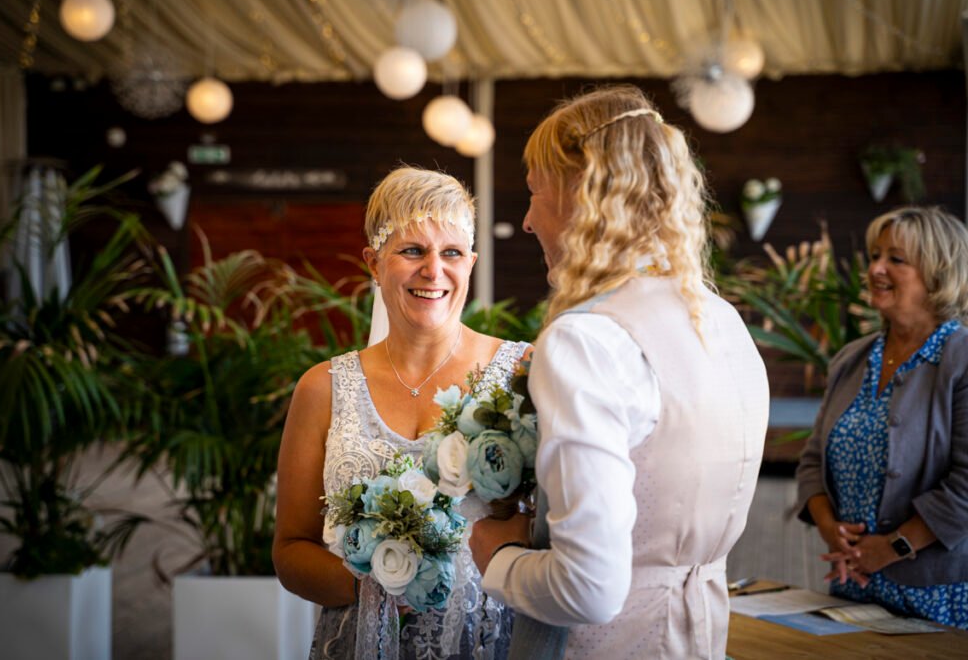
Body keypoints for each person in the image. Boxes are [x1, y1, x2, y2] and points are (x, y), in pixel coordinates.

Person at [468, 84, 769, 659]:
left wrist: (499, 558)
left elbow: (588, 588)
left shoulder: (588, 341)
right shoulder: (723, 321)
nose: (527, 220)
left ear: (585, 190)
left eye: (534, 191)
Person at [273, 166, 530, 659]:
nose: (433, 271)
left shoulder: (523, 371)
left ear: (471, 262)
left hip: (491, 642)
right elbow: (290, 551)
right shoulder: (322, 388)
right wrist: (379, 587)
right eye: (412, 251)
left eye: (451, 252)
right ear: (374, 262)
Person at [796, 206, 968, 629]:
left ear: (937, 272)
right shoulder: (851, 359)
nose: (875, 268)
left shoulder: (961, 358)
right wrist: (828, 527)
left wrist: (894, 546)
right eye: (875, 255)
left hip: (938, 599)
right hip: (853, 587)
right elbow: (812, 462)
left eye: (896, 259)